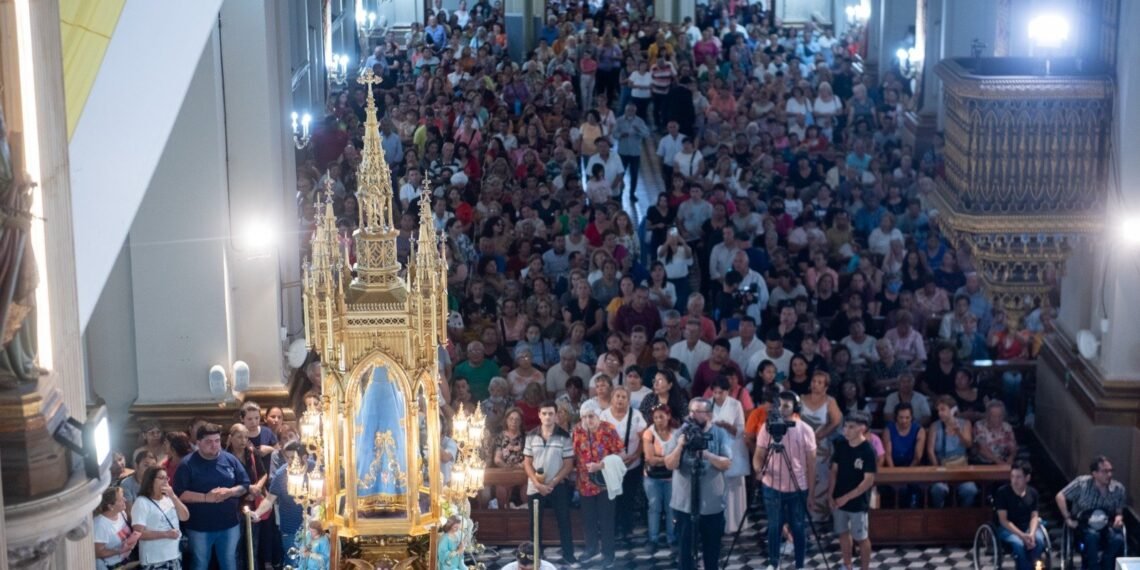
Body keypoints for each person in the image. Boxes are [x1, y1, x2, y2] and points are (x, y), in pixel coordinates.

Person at [664, 398, 733, 570]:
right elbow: (669, 464)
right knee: (685, 553)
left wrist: (706, 454)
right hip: (684, 505)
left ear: (709, 414)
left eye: (698, 412)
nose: (692, 415)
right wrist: (680, 446)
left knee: (712, 552)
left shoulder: (719, 433)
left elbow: (726, 463)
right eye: (691, 411)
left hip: (712, 506)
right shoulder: (680, 433)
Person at [173, 422, 250, 570]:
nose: (214, 445)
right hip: (199, 527)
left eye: (217, 441)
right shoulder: (187, 464)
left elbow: (245, 484)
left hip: (229, 524)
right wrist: (205, 497)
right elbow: (179, 494)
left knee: (229, 562)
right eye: (209, 442)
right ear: (198, 443)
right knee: (200, 563)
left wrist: (230, 492)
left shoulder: (230, 459)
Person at [753, 390, 817, 570]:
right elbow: (758, 455)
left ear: (795, 407)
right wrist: (758, 469)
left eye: (787, 405)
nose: (782, 408)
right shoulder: (767, 428)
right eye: (780, 405)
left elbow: (811, 465)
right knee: (774, 526)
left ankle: (799, 565)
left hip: (798, 487)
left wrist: (811, 493)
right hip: (772, 486)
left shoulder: (806, 430)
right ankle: (773, 563)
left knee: (798, 527)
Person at [522, 401, 577, 565]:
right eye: (544, 413)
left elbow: (568, 464)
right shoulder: (531, 435)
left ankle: (569, 555)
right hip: (535, 486)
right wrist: (537, 484)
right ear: (539, 415)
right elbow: (527, 463)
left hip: (558, 485)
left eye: (551, 413)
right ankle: (535, 557)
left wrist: (552, 483)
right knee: (534, 524)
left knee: (564, 520)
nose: (547, 417)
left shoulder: (564, 436)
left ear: (556, 415)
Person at [571, 400, 624, 568]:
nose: (588, 420)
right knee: (589, 519)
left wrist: (601, 465)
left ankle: (608, 553)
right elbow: (573, 454)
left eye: (591, 416)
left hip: (604, 482)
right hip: (584, 482)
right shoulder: (577, 431)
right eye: (584, 417)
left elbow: (621, 454)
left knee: (606, 520)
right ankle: (591, 548)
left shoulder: (608, 429)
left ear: (598, 416)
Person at [246, 442, 312, 569]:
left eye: (293, 458)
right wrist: (257, 513)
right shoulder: (282, 474)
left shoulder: (315, 470)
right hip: (290, 528)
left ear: (304, 457)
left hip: (313, 528)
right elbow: (269, 499)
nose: (289, 461)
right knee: (293, 563)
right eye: (287, 457)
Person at [1055, 455, 1127, 570]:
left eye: (1111, 471)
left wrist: (1119, 518)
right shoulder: (1081, 484)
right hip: (1084, 526)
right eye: (1105, 471)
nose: (1109, 475)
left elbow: (1119, 511)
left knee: (1118, 539)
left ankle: (1107, 564)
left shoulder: (1118, 489)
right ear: (1094, 473)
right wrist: (1067, 518)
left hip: (1106, 525)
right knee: (1091, 536)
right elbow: (1060, 496)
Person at [828, 412, 877, 570]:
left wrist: (847, 497)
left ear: (861, 429)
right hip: (838, 498)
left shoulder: (868, 451)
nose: (846, 430)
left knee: (861, 538)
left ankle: (864, 568)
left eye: (851, 427)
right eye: (845, 427)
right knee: (843, 533)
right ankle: (847, 565)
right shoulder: (841, 445)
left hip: (857, 502)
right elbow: (834, 471)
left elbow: (868, 481)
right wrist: (830, 495)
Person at [599, 386, 647, 540]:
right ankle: (613, 530)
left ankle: (627, 530)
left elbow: (644, 438)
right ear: (612, 398)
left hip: (632, 464)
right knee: (613, 498)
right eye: (617, 396)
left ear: (628, 400)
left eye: (623, 397)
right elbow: (600, 440)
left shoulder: (636, 415)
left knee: (628, 497)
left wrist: (636, 455)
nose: (620, 399)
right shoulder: (604, 416)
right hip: (611, 465)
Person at [131, 466, 190, 570]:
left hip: (174, 556)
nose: (165, 481)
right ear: (151, 481)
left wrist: (173, 496)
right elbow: (138, 534)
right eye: (161, 478)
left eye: (166, 478)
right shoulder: (141, 502)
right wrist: (166, 534)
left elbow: (185, 517)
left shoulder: (169, 499)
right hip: (155, 560)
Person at [927, 395, 978, 507]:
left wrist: (959, 432)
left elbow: (968, 444)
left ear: (953, 409)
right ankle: (938, 513)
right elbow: (930, 450)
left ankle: (963, 514)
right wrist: (937, 469)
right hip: (941, 468)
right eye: (938, 410)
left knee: (970, 490)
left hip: (961, 468)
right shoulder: (935, 426)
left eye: (943, 409)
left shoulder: (965, 423)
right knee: (938, 489)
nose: (940, 413)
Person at [994, 461, 1047, 570]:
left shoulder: (1033, 493)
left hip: (1027, 526)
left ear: (1027, 478)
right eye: (1012, 476)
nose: (1015, 480)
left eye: (1019, 477)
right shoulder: (1002, 493)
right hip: (1007, 528)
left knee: (1039, 540)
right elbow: (1003, 520)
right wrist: (1022, 535)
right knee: (1018, 544)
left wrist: (1031, 534)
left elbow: (1034, 516)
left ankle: (1034, 566)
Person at [94, 486, 141, 570]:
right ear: (110, 506)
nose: (125, 500)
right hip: (113, 566)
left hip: (127, 561)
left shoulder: (122, 513)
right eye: (120, 500)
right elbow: (98, 552)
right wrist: (120, 550)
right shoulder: (100, 525)